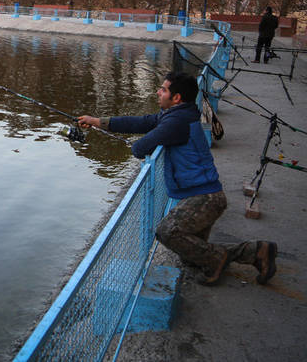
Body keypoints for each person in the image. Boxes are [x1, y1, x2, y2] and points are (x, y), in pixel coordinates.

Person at [77, 71, 277, 286]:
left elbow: (140, 148)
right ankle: (257, 251)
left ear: (177, 98)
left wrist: (139, 144)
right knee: (190, 256)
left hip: (205, 199)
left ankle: (218, 259)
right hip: (204, 195)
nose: (158, 92)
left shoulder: (176, 122)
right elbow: (141, 122)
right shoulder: (177, 115)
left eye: (163, 89)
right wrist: (98, 122)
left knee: (167, 232)